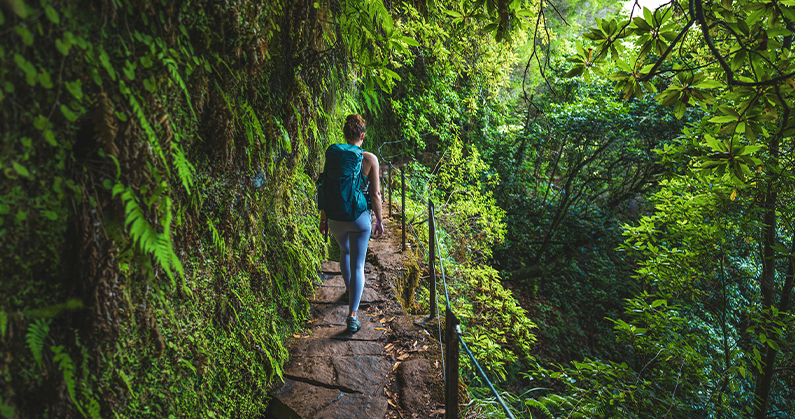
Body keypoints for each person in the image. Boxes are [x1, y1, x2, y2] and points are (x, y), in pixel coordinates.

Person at [319, 114, 384, 333]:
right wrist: (380, 221)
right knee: (358, 264)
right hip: (359, 219)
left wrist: (324, 218)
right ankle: (353, 316)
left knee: (344, 253)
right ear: (363, 136)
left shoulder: (335, 155)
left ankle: (348, 289)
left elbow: (326, 185)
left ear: (345, 135)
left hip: (336, 216)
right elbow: (375, 194)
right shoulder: (369, 159)